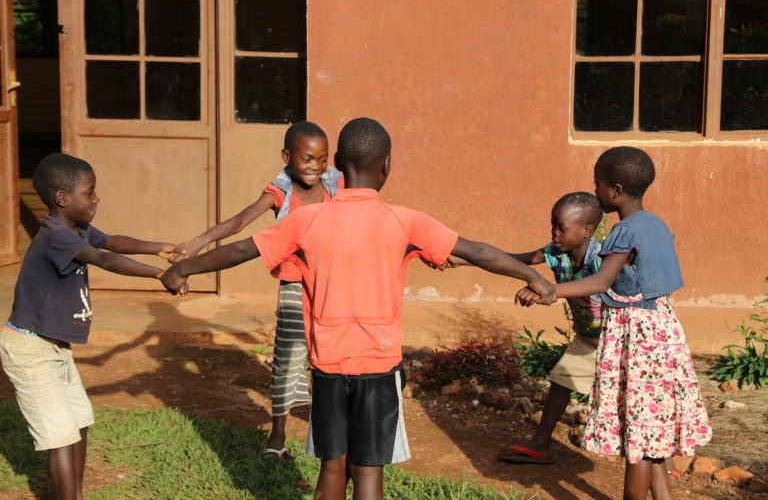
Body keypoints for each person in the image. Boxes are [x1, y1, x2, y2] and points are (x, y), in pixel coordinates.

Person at [160, 117, 557, 500]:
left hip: (328, 366)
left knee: (332, 468)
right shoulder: (405, 222)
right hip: (379, 366)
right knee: (369, 473)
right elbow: (479, 251)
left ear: (336, 166)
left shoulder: (308, 220)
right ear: (386, 166)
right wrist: (534, 277)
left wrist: (183, 268)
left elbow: (244, 248)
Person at [517, 146, 712, 500]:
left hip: (636, 336)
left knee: (636, 440)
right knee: (650, 434)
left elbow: (601, 281)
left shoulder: (624, 231)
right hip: (664, 329)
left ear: (615, 191)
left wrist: (551, 290)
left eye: (598, 184)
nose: (595, 191)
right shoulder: (656, 225)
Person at [0, 153, 181, 500]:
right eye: (90, 192)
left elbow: (112, 242)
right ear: (62, 199)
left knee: (79, 422)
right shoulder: (57, 236)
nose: (96, 198)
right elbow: (104, 258)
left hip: (53, 347)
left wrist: (160, 249)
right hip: (29, 349)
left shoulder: (76, 228)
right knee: (61, 437)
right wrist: (159, 275)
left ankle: (74, 495)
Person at [171, 121, 342, 459]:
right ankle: (277, 434)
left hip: (332, 284)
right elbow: (239, 221)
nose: (315, 167)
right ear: (287, 156)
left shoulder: (336, 183)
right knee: (288, 357)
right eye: (307, 159)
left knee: (329, 356)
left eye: (322, 159)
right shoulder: (280, 191)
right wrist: (197, 243)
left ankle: (327, 427)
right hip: (295, 283)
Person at [476, 192, 605, 465]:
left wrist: (548, 290)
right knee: (562, 380)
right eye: (553, 224)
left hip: (617, 339)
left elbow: (600, 285)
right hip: (589, 338)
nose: (554, 233)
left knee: (634, 398)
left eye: (562, 227)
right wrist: (465, 259)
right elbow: (515, 260)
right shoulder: (555, 253)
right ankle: (541, 443)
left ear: (587, 230)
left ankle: (659, 461)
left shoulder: (602, 259)